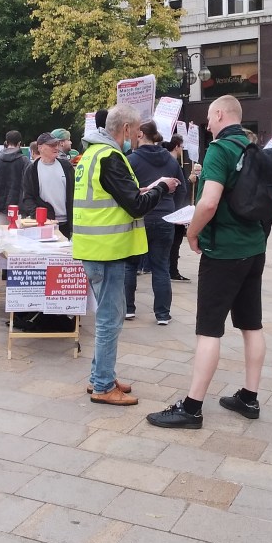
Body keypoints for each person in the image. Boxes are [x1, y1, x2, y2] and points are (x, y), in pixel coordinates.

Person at [146, 95, 267, 429]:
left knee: (209, 330)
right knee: (251, 324)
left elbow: (210, 202)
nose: (208, 125)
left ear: (219, 114)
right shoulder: (252, 148)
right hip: (254, 247)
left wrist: (192, 233)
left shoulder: (220, 150)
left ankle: (192, 406)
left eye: (210, 120)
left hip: (224, 251)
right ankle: (249, 396)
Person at [73, 105, 179, 406]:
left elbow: (113, 195)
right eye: (134, 131)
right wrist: (160, 188)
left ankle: (99, 376)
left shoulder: (93, 154)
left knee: (109, 316)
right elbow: (135, 205)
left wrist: (145, 188)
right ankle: (104, 386)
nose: (135, 136)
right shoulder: (111, 157)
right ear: (126, 128)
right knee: (110, 318)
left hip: (94, 249)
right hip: (107, 251)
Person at [124, 122, 187, 324]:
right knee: (161, 266)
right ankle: (162, 314)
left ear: (140, 134)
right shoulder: (171, 161)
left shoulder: (130, 160)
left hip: (138, 217)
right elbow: (182, 190)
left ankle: (128, 308)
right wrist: (173, 212)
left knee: (130, 265)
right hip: (165, 217)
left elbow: (125, 190)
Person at [21, 132, 74, 237]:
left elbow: (75, 191)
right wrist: (38, 216)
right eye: (51, 145)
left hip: (67, 222)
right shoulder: (32, 170)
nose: (56, 148)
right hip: (44, 223)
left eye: (57, 144)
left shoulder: (66, 166)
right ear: (40, 148)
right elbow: (28, 198)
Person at [0, 130, 29, 226]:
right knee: (18, 237)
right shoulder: (24, 160)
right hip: (19, 206)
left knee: (2, 237)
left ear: (6, 142)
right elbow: (29, 185)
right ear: (19, 143)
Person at [164, 134, 191, 282]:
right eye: (181, 146)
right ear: (176, 146)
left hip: (171, 209)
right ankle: (172, 270)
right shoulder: (173, 164)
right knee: (174, 243)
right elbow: (180, 188)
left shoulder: (166, 163)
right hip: (175, 211)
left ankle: (171, 269)